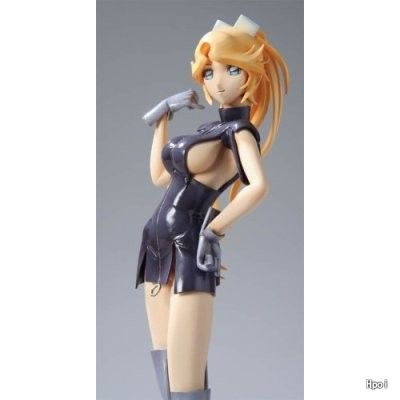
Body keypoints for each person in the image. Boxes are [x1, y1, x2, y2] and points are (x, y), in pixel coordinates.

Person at [135, 15, 289, 400]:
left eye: (231, 70)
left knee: (185, 382)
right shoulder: (207, 130)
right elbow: (159, 177)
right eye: (208, 72)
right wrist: (163, 119)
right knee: (164, 369)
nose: (217, 82)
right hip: (156, 243)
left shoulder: (240, 132)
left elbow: (258, 186)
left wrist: (214, 230)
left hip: (189, 248)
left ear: (251, 75)